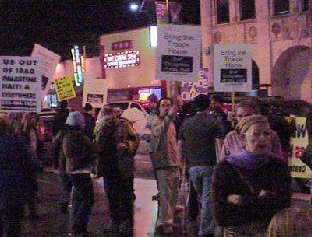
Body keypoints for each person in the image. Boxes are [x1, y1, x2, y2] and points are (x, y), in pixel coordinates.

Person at [212, 115, 292, 236]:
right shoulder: (225, 168)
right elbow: (221, 214)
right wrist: (262, 200)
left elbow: (283, 203)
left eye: (267, 134)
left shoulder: (278, 166)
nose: (262, 139)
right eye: (256, 134)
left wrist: (241, 200)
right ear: (243, 138)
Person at [179, 94, 225, 237]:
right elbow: (219, 144)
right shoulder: (214, 122)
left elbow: (180, 145)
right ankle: (205, 230)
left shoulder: (186, 123)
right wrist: (222, 164)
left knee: (200, 197)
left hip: (192, 167)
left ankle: (202, 226)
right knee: (207, 199)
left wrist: (181, 166)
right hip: (210, 165)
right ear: (208, 105)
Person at [95, 105, 140, 235]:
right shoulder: (100, 127)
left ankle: (125, 224)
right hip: (109, 168)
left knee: (124, 197)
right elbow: (98, 147)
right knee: (113, 198)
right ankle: (116, 223)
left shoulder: (124, 124)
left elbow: (135, 139)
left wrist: (127, 146)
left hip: (122, 167)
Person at [146, 97, 181, 235]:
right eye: (163, 105)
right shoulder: (156, 121)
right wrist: (170, 116)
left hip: (174, 163)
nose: (166, 108)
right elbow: (159, 132)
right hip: (162, 164)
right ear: (159, 108)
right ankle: (165, 223)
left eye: (168, 105)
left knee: (173, 195)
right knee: (165, 194)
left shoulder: (171, 123)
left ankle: (168, 219)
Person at [63, 111, 96, 235]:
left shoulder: (67, 136)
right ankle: (78, 226)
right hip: (81, 171)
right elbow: (91, 152)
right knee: (88, 200)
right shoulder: (81, 138)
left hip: (71, 171)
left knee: (78, 200)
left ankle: (76, 227)